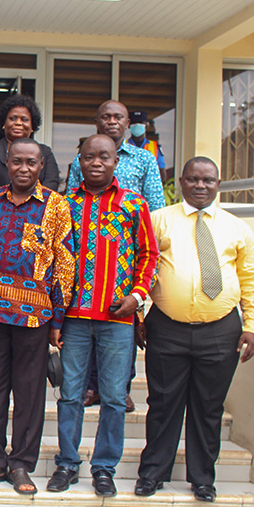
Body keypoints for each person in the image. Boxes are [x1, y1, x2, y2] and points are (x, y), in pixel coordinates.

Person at [135, 157, 254, 503]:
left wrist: (252, 324)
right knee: (163, 403)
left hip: (221, 330)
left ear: (218, 184)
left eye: (208, 180)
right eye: (193, 179)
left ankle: (203, 478)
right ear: (181, 182)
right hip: (166, 327)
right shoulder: (158, 221)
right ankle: (153, 473)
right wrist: (139, 317)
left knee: (209, 407)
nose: (200, 185)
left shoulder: (237, 228)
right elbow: (140, 269)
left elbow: (252, 279)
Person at [47, 135, 157, 497]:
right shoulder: (65, 205)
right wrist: (56, 318)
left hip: (118, 320)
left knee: (112, 397)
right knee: (71, 394)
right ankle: (66, 463)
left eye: (104, 157)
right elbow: (56, 260)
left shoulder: (133, 204)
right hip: (75, 317)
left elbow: (148, 255)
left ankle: (104, 468)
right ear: (79, 161)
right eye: (89, 156)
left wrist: (137, 298)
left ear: (115, 162)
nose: (96, 162)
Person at [0, 138, 75, 494]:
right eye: (17, 162)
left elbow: (64, 265)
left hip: (37, 315)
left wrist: (58, 321)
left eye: (31, 162)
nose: (24, 168)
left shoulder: (57, 206)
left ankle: (22, 465)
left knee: (29, 392)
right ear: (8, 164)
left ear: (41, 165)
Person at [67, 100, 165, 411]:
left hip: (127, 251)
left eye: (118, 117)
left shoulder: (144, 159)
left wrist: (142, 284)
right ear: (96, 122)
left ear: (127, 123)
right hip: (85, 263)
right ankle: (91, 387)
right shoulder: (78, 162)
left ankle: (118, 387)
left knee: (121, 328)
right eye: (106, 116)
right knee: (88, 327)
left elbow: (156, 206)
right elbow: (71, 206)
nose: (112, 121)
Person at [0, 94, 60, 193]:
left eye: (24, 119)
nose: (18, 123)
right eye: (12, 118)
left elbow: (52, 182)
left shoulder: (45, 152)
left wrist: (29, 202)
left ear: (32, 126)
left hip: (38, 207)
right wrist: (8, 202)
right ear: (4, 123)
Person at [127, 111, 167, 181]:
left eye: (140, 122)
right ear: (128, 125)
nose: (137, 125)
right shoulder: (124, 146)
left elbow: (162, 174)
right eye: (134, 123)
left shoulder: (155, 147)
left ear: (146, 125)